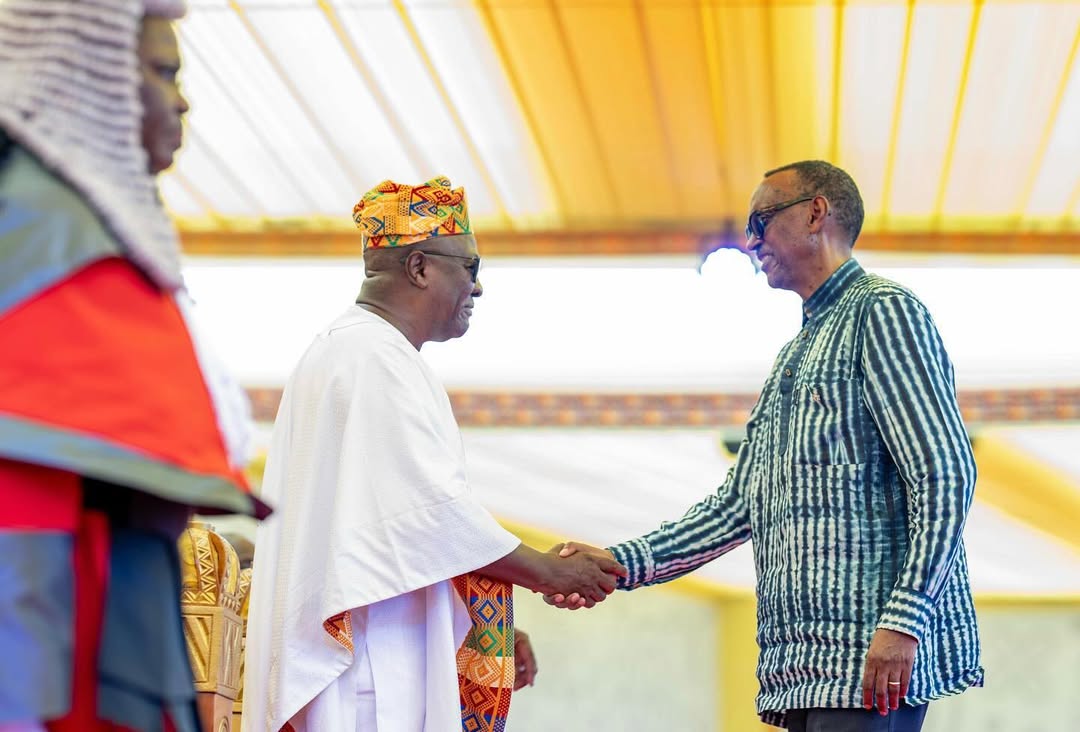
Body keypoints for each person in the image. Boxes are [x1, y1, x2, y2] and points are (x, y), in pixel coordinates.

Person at [549, 161, 983, 731]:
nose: (751, 241)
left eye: (761, 220)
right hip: (802, 671)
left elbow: (945, 474)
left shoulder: (882, 311)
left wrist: (904, 620)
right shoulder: (793, 356)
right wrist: (619, 563)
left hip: (867, 663)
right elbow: (737, 506)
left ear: (815, 213)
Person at [242, 177, 625, 732]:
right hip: (372, 671)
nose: (478, 287)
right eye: (470, 268)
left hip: (372, 654)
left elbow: (383, 532)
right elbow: (429, 514)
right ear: (420, 268)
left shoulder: (355, 351)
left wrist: (473, 625)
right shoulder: (373, 356)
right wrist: (545, 572)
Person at [0, 1, 269, 730]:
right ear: (86, 78)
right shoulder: (36, 244)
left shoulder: (100, 241)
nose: (181, 100)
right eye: (163, 71)